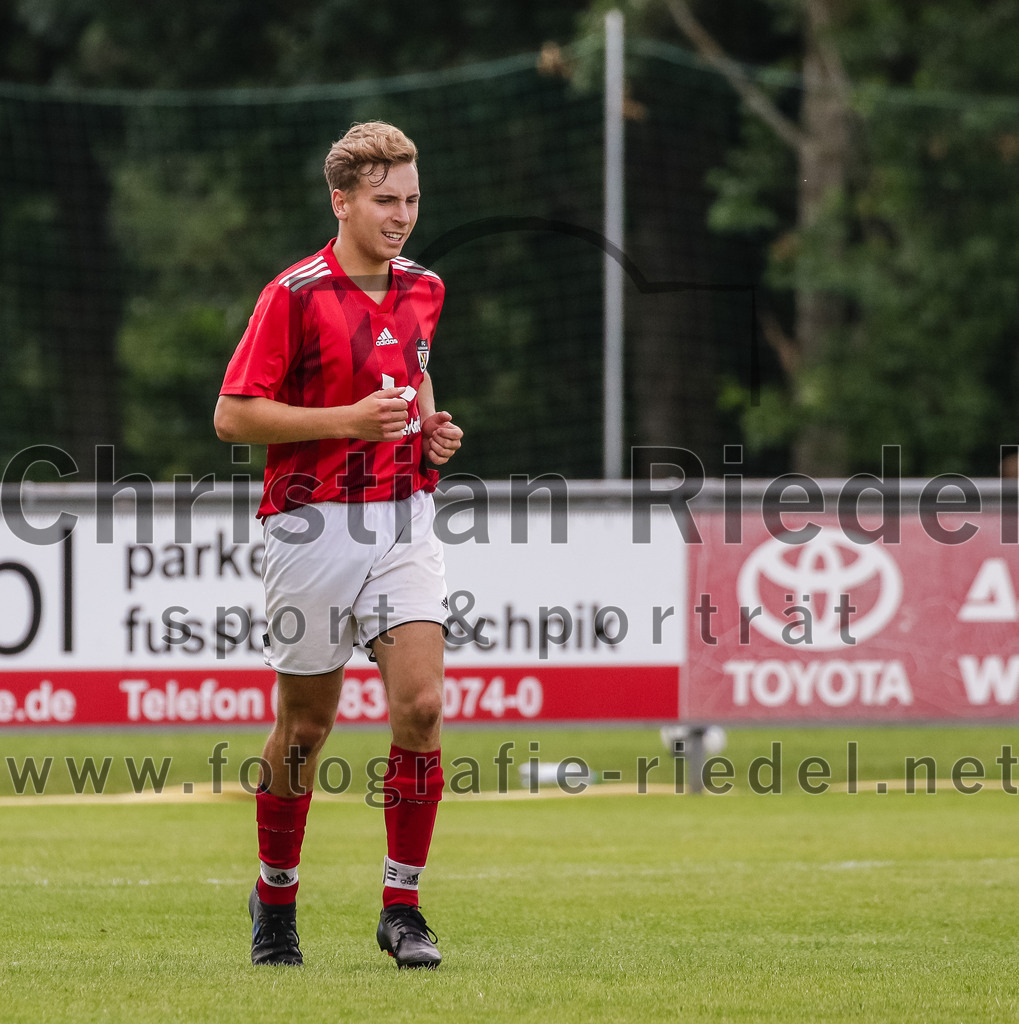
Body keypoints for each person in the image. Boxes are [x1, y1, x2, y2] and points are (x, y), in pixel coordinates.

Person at [214, 121, 462, 970]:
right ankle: (275, 899)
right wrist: (346, 422)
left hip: (403, 517)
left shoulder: (426, 287)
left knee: (422, 707)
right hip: (311, 523)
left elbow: (417, 369)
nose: (401, 216)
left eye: (412, 200)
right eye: (385, 201)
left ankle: (402, 908)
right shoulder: (294, 294)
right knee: (306, 729)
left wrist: (431, 427)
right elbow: (232, 416)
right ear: (343, 201)